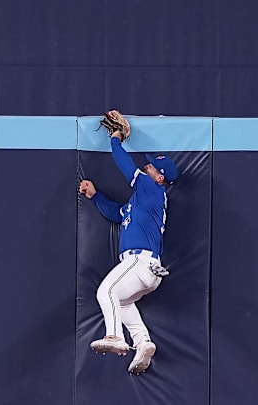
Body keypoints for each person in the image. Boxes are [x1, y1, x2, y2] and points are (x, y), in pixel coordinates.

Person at [78, 129, 178, 375]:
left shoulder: (153, 190)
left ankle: (114, 337)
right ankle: (143, 342)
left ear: (159, 178)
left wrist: (115, 139)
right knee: (120, 303)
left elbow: (124, 164)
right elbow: (117, 213)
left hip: (140, 261)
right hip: (147, 270)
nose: (147, 166)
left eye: (153, 167)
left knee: (106, 291)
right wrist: (95, 197)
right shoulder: (140, 201)